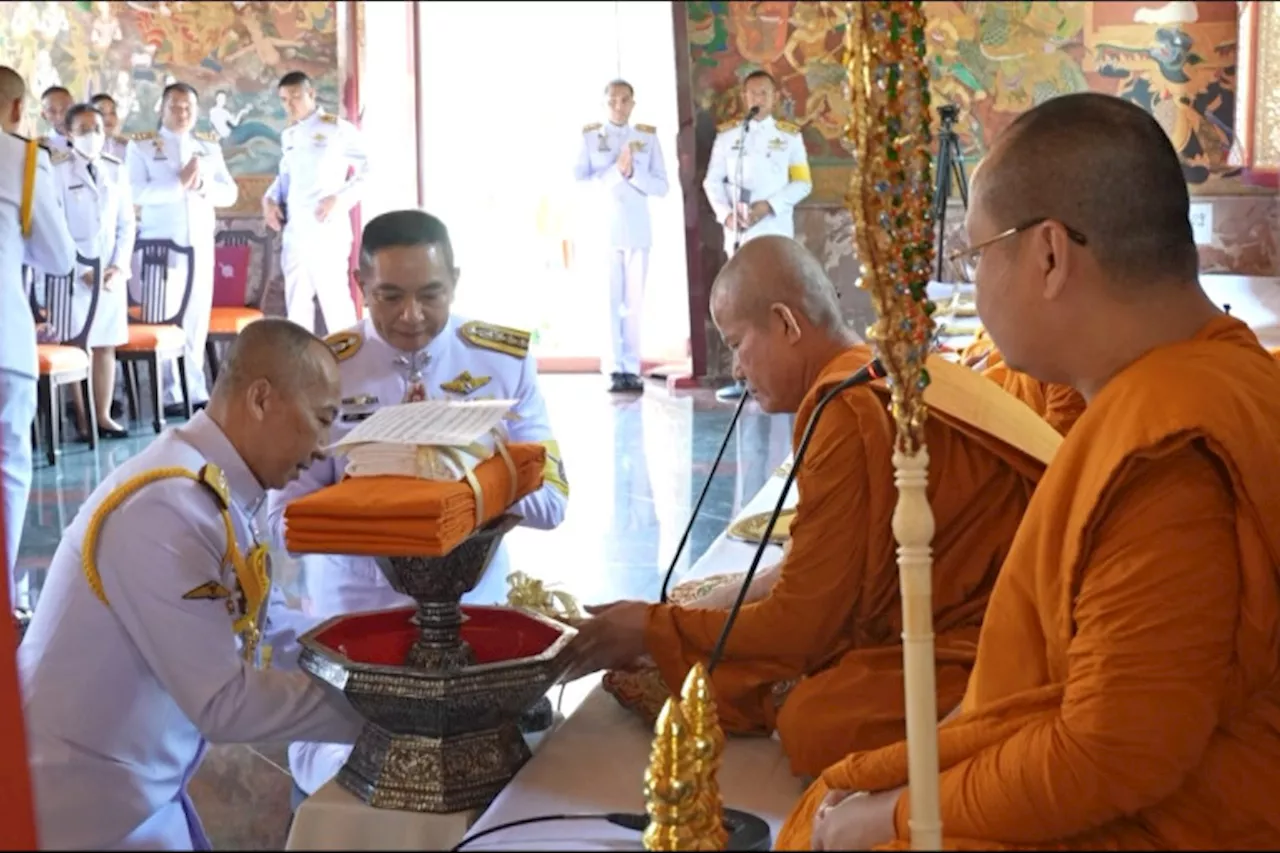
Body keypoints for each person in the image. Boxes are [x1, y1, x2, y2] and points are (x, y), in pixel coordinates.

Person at [778, 93, 1280, 852]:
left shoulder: (1170, 449)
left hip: (1182, 812)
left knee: (840, 817)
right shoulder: (1205, 378)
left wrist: (901, 816)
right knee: (844, 779)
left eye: (979, 254)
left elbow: (1112, 754)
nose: (976, 286)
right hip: (1140, 764)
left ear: (1049, 255)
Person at [562, 235, 1059, 779]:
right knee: (715, 628)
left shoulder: (846, 410)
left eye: (737, 343)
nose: (734, 368)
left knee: (814, 719)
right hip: (973, 610)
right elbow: (814, 569)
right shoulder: (874, 370)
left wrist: (653, 630)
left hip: (1000, 637)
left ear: (786, 324)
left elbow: (803, 623)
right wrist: (681, 615)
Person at [18, 318, 366, 850]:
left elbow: (262, 629)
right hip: (78, 807)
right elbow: (224, 702)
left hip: (135, 788)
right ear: (261, 399)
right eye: (320, 420)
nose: (324, 447)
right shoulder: (166, 505)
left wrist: (368, 657)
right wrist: (382, 711)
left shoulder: (208, 483)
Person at [267, 209, 570, 799]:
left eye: (431, 294)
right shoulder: (325, 366)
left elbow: (554, 500)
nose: (411, 316)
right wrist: (383, 516)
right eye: (390, 297)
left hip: (470, 612)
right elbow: (282, 521)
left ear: (455, 280)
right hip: (358, 611)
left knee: (485, 786)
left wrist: (467, 496)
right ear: (360, 286)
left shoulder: (501, 362)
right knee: (350, 790)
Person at [0, 65, 76, 624]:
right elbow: (60, 258)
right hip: (5, 339)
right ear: (17, 111)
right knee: (7, 466)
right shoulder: (24, 160)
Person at [126, 81, 238, 418]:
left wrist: (201, 184)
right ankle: (170, 394)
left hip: (200, 244)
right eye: (175, 106)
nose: (182, 112)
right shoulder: (143, 147)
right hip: (162, 249)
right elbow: (136, 194)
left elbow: (229, 193)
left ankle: (195, 388)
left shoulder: (207, 146)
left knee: (195, 319)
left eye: (188, 106)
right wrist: (178, 185)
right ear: (162, 108)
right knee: (165, 319)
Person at [703, 70, 812, 402]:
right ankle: (743, 377)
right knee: (742, 307)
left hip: (775, 230)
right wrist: (726, 214)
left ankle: (781, 375)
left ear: (774, 97)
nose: (758, 99)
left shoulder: (789, 136)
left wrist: (771, 205)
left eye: (764, 93)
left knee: (778, 305)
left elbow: (803, 183)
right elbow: (712, 182)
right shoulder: (728, 137)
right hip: (739, 234)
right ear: (744, 97)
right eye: (752, 93)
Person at [573, 79, 669, 394]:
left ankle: (631, 367)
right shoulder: (590, 137)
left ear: (633, 103)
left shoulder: (646, 137)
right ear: (604, 104)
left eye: (625, 100)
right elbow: (579, 183)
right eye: (613, 100)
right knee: (609, 302)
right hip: (605, 230)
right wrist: (615, 172)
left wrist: (632, 174)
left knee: (635, 303)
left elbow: (661, 185)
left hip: (638, 229)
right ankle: (614, 367)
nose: (619, 106)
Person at [263, 70, 368, 336]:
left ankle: (351, 367)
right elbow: (285, 176)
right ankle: (303, 370)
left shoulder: (337, 129)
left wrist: (340, 199)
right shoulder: (289, 136)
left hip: (326, 230)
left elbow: (370, 170)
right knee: (296, 307)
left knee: (336, 305)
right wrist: (270, 198)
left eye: (296, 97)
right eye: (284, 99)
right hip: (296, 233)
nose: (290, 104)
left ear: (311, 94)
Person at [52, 102, 135, 439]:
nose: (92, 136)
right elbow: (54, 226)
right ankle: (83, 417)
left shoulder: (116, 169)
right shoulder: (56, 170)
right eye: (84, 130)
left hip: (110, 274)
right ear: (69, 134)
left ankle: (103, 415)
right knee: (79, 345)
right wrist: (77, 268)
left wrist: (119, 266)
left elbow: (127, 225)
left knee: (106, 344)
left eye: (97, 129)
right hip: (74, 276)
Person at [90, 92, 129, 161]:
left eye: (112, 112)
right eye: (101, 113)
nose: (108, 118)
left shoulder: (126, 147)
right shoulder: (85, 148)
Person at [38, 86, 72, 151]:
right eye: (52, 111)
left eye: (65, 108)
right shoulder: (41, 147)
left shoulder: (94, 138)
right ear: (43, 115)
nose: (60, 116)